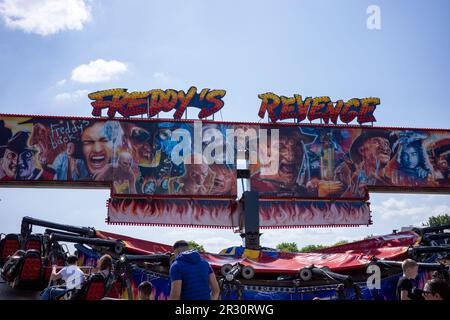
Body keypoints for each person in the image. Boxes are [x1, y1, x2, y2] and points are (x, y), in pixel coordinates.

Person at [250, 127, 316, 197]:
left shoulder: (303, 192)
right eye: (280, 147)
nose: (291, 157)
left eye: (297, 146)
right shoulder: (252, 187)